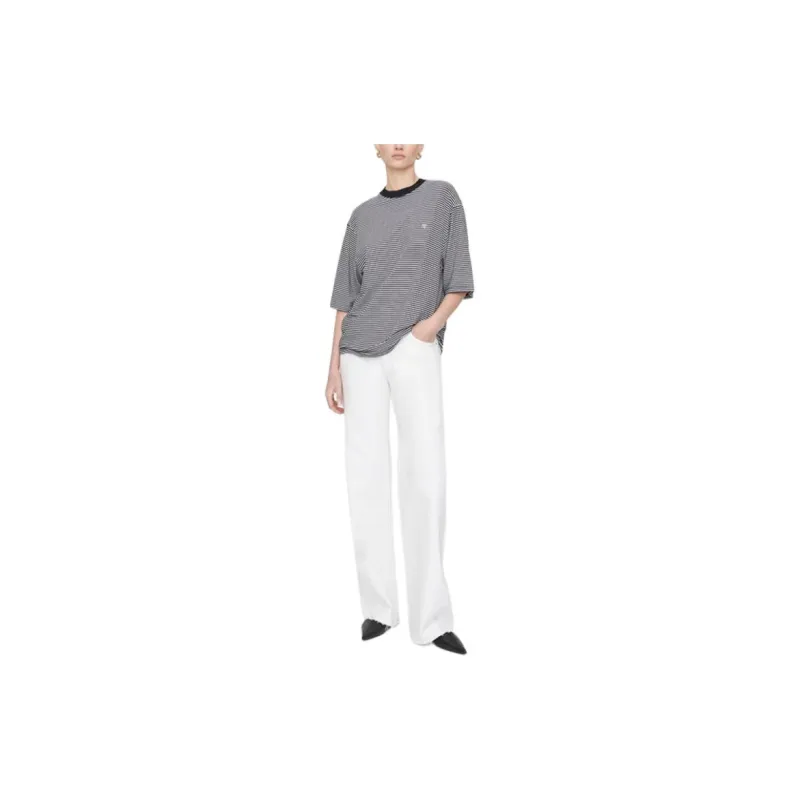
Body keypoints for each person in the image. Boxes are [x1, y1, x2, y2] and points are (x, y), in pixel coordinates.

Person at [325, 144, 475, 655]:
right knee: (364, 476)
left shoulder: (442, 198)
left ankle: (432, 620)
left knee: (425, 475)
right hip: (358, 355)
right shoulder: (360, 217)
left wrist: (428, 328)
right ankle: (378, 608)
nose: (397, 143)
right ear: (375, 146)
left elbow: (458, 276)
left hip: (414, 345)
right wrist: (333, 366)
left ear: (420, 145)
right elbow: (345, 297)